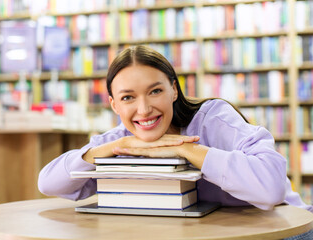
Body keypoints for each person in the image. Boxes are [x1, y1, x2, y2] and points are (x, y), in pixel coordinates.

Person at [38, 45, 312, 218]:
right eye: (128, 98)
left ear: (173, 90)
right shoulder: (120, 141)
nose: (143, 110)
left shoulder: (212, 119)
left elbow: (272, 190)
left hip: (286, 228)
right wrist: (105, 150)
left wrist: (185, 148)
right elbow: (48, 183)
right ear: (113, 105)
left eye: (155, 91)